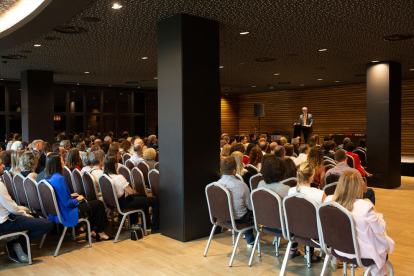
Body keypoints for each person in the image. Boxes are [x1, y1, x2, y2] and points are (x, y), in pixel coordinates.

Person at [325, 171, 394, 275]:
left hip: (337, 248)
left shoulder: (329, 201)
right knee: (381, 240)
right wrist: (374, 209)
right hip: (362, 253)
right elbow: (380, 229)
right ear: (358, 187)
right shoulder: (365, 206)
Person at [44, 153, 112, 240]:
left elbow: (56, 194)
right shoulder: (59, 178)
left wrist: (70, 195)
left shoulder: (47, 177)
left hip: (58, 209)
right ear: (57, 164)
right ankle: (100, 232)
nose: (63, 162)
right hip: (67, 210)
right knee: (98, 204)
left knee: (89, 202)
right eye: (61, 160)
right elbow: (68, 203)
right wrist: (77, 199)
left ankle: (91, 231)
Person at [0, 173, 54, 263]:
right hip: (6, 221)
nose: (4, 166)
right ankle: (19, 241)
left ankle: (17, 242)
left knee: (35, 216)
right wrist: (24, 214)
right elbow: (12, 207)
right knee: (48, 224)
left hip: (5, 218)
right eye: (1, 164)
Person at [104, 156, 159, 232]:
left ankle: (146, 223)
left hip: (117, 202)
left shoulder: (105, 176)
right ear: (114, 164)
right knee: (155, 200)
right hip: (125, 202)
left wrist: (126, 190)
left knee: (143, 196)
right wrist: (126, 190)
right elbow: (131, 192)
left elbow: (127, 191)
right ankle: (156, 227)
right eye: (116, 162)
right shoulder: (118, 177)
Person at [289, 162, 326, 262]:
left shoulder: (290, 191)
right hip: (314, 232)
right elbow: (327, 215)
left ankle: (296, 249)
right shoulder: (319, 194)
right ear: (312, 175)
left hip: (294, 229)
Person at [218, 156, 255, 247]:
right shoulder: (241, 185)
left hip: (222, 218)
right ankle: (250, 241)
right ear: (234, 171)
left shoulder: (217, 184)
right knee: (250, 212)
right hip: (239, 219)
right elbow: (250, 206)